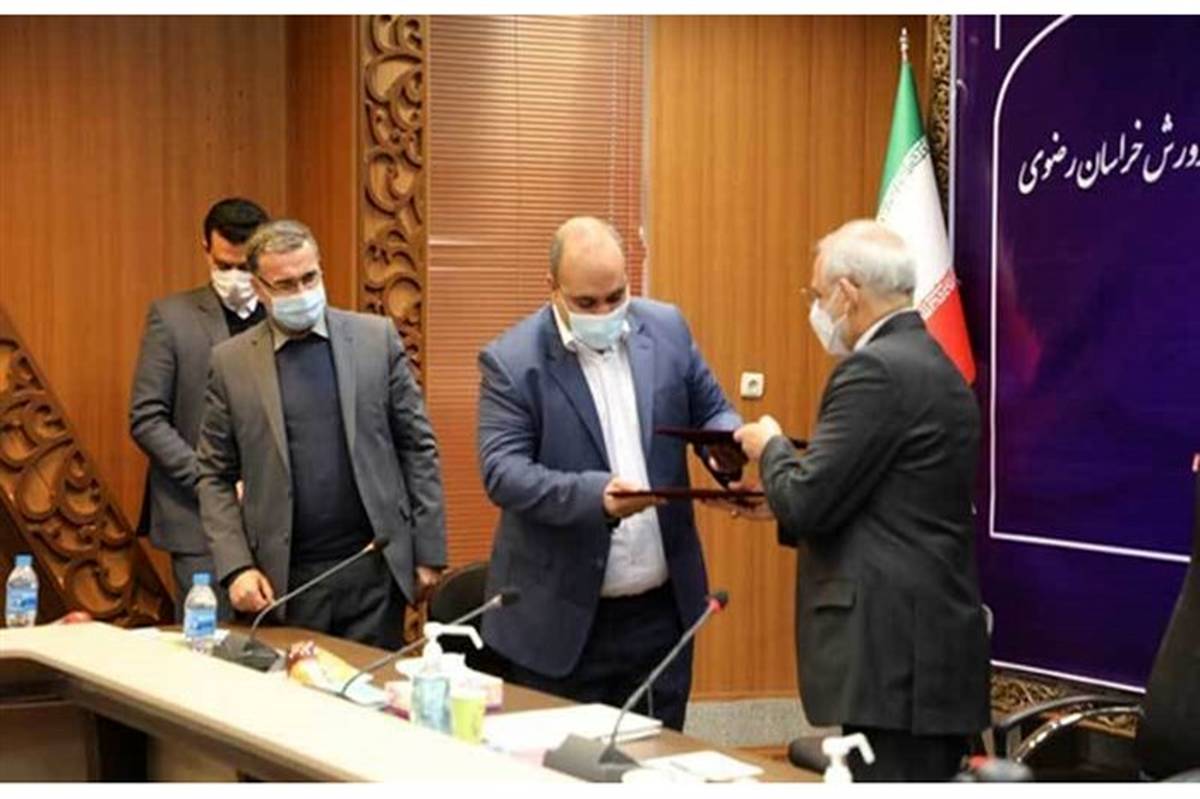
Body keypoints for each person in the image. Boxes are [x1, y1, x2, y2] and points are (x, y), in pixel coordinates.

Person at [733, 219, 990, 781]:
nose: (816, 310)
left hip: (892, 658)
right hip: (926, 655)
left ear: (847, 294)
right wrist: (777, 497)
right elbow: (883, 495)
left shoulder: (874, 369)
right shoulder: (935, 361)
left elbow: (807, 503)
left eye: (817, 295)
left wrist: (770, 446)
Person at [476, 216, 740, 730]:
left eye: (615, 297)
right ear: (552, 288)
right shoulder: (511, 360)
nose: (604, 312)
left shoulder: (666, 327)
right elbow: (503, 472)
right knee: (557, 765)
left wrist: (725, 445)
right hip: (559, 623)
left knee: (659, 760)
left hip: (661, 616)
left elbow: (712, 408)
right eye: (586, 303)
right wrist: (596, 497)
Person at [194, 219, 446, 648]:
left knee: (371, 687)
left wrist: (429, 552)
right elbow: (214, 474)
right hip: (281, 579)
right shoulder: (231, 363)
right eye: (285, 284)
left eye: (309, 277)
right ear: (259, 288)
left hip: (373, 568)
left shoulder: (375, 340)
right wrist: (236, 567)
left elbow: (417, 446)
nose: (301, 292)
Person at [130, 197, 269, 620]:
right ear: (205, 249)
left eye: (246, 267)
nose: (236, 277)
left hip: (275, 521)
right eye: (225, 265)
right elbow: (147, 418)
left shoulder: (285, 318)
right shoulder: (171, 317)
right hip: (198, 519)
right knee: (209, 643)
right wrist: (213, 482)